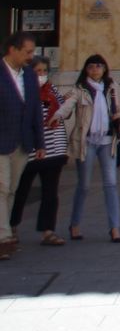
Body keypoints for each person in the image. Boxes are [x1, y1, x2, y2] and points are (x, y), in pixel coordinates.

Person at [54, 54, 120, 243]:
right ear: (86, 69)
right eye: (91, 66)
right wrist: (56, 113)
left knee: (111, 184)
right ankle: (75, 224)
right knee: (83, 186)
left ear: (105, 69)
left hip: (108, 141)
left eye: (99, 66)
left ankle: (114, 228)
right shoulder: (80, 90)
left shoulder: (111, 88)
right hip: (86, 143)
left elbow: (117, 109)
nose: (95, 70)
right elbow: (67, 107)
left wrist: (119, 114)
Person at [9, 56, 68, 247]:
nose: (41, 75)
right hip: (30, 150)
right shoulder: (22, 92)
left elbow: (64, 112)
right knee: (20, 191)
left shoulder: (52, 91)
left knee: (50, 192)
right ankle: (11, 226)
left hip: (54, 148)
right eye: (37, 71)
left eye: (44, 71)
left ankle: (47, 230)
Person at [0, 32, 46, 261]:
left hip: (22, 142)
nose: (32, 56)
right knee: (1, 187)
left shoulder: (29, 75)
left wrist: (40, 142)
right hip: (2, 141)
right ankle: (4, 237)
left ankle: (3, 231)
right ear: (12, 49)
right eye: (28, 52)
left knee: (11, 190)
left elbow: (36, 109)